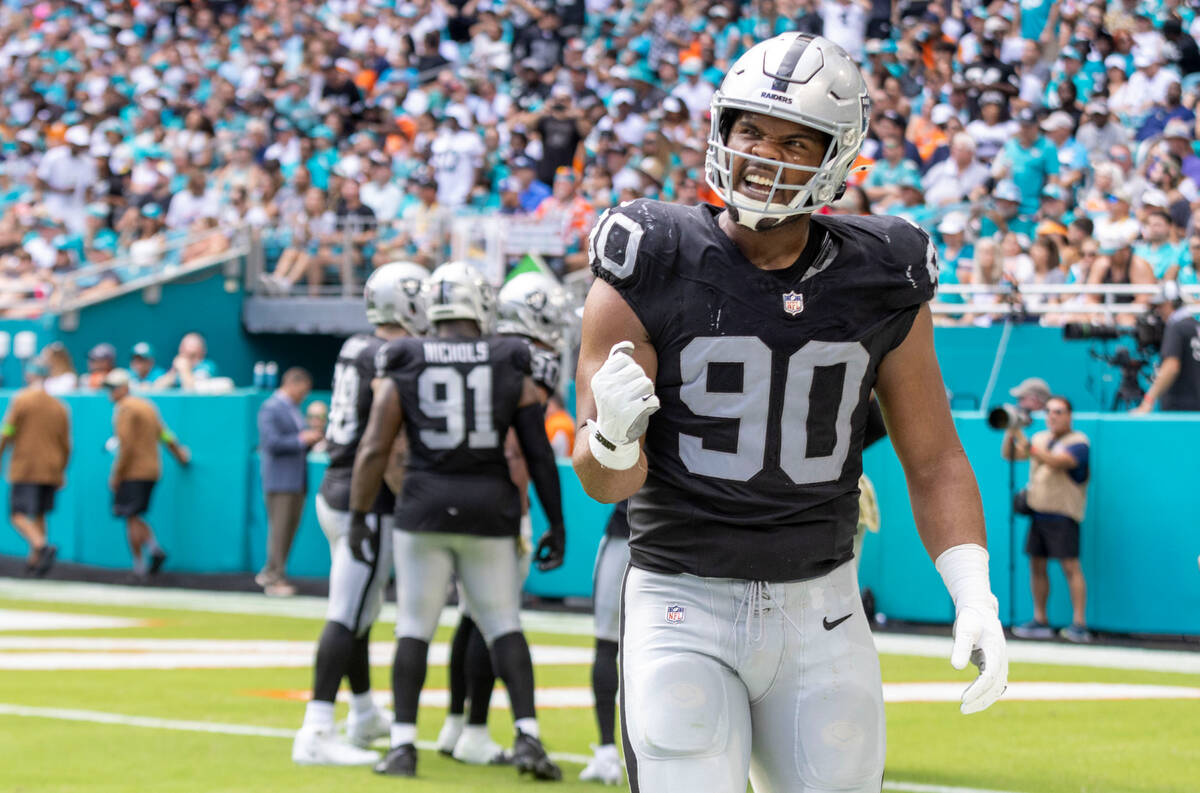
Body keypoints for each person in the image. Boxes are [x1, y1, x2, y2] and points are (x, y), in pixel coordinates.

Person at [573, 34, 1007, 793]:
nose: (763, 154)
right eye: (751, 131)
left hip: (822, 606)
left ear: (836, 157)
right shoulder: (651, 254)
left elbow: (933, 456)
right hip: (682, 595)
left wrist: (973, 588)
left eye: (795, 140)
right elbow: (607, 485)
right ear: (721, 131)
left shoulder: (884, 270)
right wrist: (609, 436)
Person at [352, 261, 565, 780]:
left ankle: (403, 744)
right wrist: (556, 521)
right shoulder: (512, 356)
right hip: (490, 506)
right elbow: (537, 451)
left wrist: (359, 513)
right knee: (503, 625)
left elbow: (377, 444)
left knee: (414, 629)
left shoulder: (403, 355)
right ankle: (529, 736)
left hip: (422, 505)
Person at [293, 262, 430, 767]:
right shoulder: (393, 353)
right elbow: (385, 440)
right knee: (347, 612)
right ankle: (316, 728)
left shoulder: (358, 345)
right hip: (364, 497)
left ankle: (364, 709)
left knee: (361, 611)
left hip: (335, 487)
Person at [435, 270, 571, 766]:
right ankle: (473, 729)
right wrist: (540, 517)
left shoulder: (483, 349)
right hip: (496, 505)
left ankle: (455, 724)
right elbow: (523, 449)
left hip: (452, 498)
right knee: (493, 621)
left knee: (471, 620)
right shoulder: (526, 361)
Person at [1002, 396, 1092, 642]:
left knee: (1070, 567)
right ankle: (1040, 619)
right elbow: (1009, 454)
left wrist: (1024, 439)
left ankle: (1079, 624)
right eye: (1049, 412)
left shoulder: (1079, 442)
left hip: (1064, 515)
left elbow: (1055, 460)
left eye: (1059, 412)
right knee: (1037, 566)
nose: (1053, 416)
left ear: (1069, 416)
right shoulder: (1040, 438)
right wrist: (1011, 429)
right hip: (1038, 514)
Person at [104, 369, 190, 581]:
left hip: (133, 472)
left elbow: (126, 446)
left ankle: (140, 565)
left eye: (113, 388)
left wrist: (116, 474)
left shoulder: (124, 409)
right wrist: (179, 454)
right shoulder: (147, 406)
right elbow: (164, 434)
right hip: (152, 470)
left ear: (124, 388)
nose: (110, 393)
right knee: (136, 514)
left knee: (130, 516)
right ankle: (154, 549)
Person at [0, 359, 70, 576]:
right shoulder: (60, 406)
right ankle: (35, 562)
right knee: (39, 513)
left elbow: (7, 431)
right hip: (50, 468)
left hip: (26, 466)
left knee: (17, 514)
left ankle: (41, 546)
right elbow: (66, 444)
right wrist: (61, 470)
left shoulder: (21, 400)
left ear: (30, 375)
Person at [256, 367, 321, 597]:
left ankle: (273, 572)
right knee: (280, 530)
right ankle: (273, 578)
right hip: (280, 480)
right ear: (292, 384)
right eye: (302, 390)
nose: (304, 395)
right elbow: (270, 443)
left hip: (296, 480)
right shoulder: (271, 407)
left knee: (289, 530)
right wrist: (301, 439)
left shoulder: (293, 408)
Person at [1133, 281, 1200, 413]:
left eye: (1161, 306)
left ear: (1171, 303)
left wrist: (1148, 400)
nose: (1158, 311)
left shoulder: (1176, 327)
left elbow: (1171, 366)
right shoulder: (1194, 326)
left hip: (1180, 410)